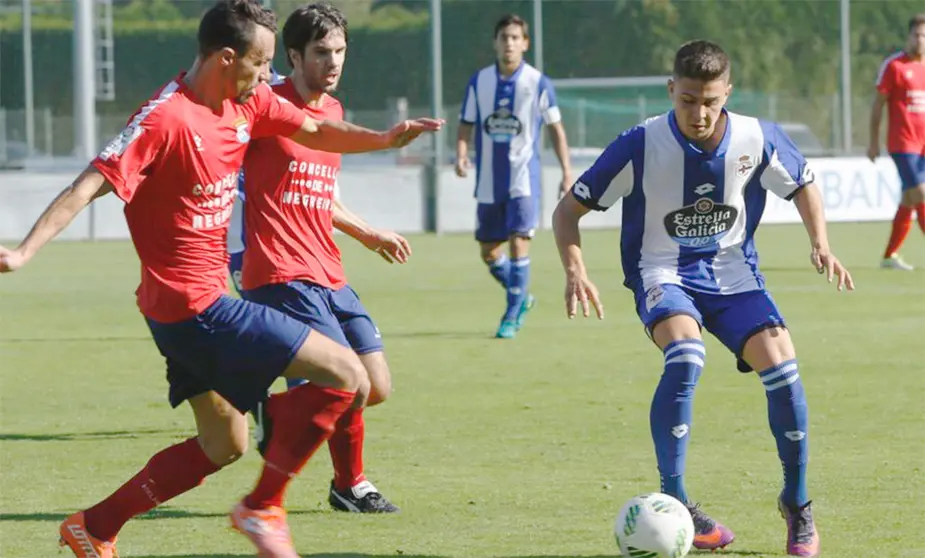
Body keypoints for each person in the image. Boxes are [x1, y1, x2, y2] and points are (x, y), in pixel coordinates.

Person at [0, 1, 441, 556]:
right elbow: (90, 183)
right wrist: (23, 252)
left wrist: (383, 139)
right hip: (197, 307)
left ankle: (96, 526)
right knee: (346, 376)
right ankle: (262, 505)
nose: (266, 76)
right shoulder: (164, 118)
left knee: (223, 443)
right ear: (226, 57)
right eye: (259, 63)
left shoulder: (248, 102)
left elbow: (313, 128)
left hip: (177, 312)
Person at [552, 40, 853, 558]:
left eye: (710, 100)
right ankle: (676, 500)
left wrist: (819, 242)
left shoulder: (757, 138)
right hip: (662, 271)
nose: (699, 112)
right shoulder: (639, 144)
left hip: (734, 274)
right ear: (672, 90)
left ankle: (797, 503)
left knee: (783, 368)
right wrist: (575, 270)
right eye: (688, 99)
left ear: (727, 93)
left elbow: (803, 184)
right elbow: (567, 212)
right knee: (687, 356)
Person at [227, 3, 409, 514]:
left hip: (328, 268)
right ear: (293, 55)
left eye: (340, 52)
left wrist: (367, 232)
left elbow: (317, 193)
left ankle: (273, 410)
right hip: (280, 271)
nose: (333, 62)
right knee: (343, 382)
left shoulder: (330, 112)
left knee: (376, 386)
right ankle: (350, 485)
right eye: (321, 53)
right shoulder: (262, 105)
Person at [455, 13, 572, 339]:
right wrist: (462, 153)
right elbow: (465, 123)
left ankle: (510, 316)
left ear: (525, 44)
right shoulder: (479, 82)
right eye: (504, 37)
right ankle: (521, 297)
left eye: (515, 38)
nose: (509, 43)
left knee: (520, 244)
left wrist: (566, 171)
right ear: (496, 42)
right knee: (489, 252)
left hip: (524, 180)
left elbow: (556, 130)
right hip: (489, 182)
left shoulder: (538, 83)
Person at [868, 12, 925, 271]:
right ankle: (889, 256)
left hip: (922, 145)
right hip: (903, 145)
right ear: (908, 36)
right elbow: (878, 105)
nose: (920, 40)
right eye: (917, 34)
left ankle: (889, 256)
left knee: (909, 199)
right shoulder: (894, 66)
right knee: (921, 195)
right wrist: (873, 141)